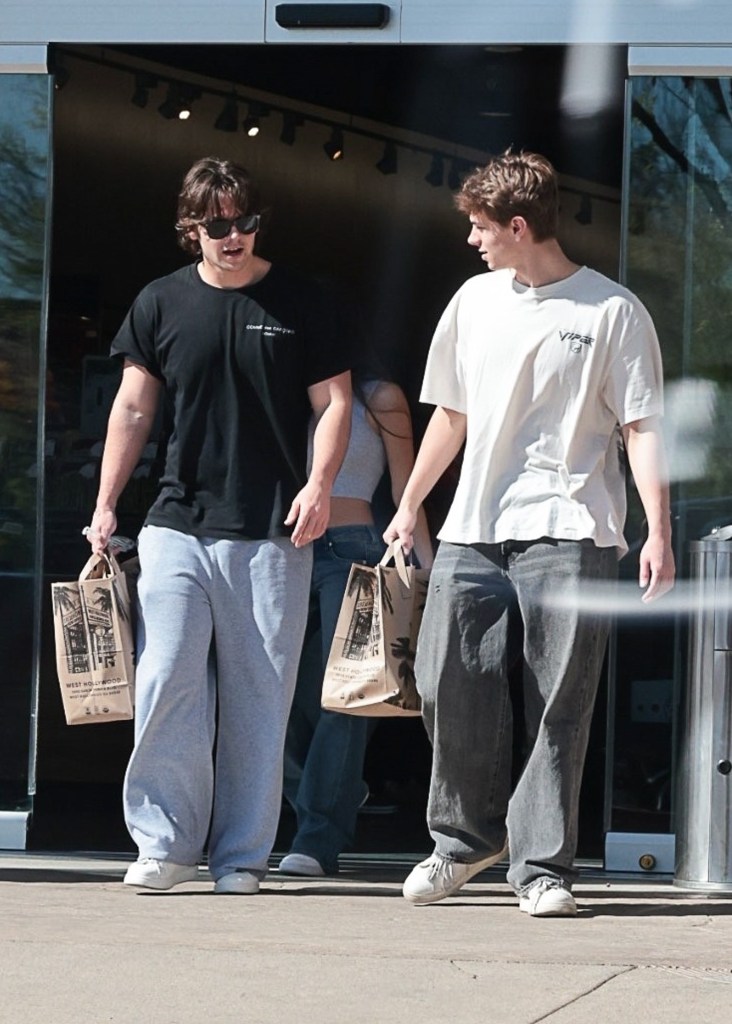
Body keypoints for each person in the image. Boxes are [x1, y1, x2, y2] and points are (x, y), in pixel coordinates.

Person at [384, 150, 675, 917]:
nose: (472, 241)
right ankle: (465, 841)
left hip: (572, 527)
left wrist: (658, 530)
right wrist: (410, 503)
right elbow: (451, 415)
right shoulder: (472, 301)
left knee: (558, 701)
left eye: (482, 228)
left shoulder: (612, 311)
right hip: (474, 525)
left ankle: (542, 867)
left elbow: (642, 427)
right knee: (445, 680)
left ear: (519, 227)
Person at [85, 156, 351, 894]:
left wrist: (320, 486)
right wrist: (106, 503)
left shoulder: (301, 299)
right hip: (176, 522)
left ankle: (240, 857)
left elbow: (336, 403)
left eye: (246, 222)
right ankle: (165, 845)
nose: (234, 236)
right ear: (191, 227)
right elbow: (132, 408)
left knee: (259, 698)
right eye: (218, 225)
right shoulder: (161, 301)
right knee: (166, 676)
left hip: (273, 529)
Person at [278, 367, 433, 876]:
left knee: (346, 700)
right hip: (279, 551)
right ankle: (336, 788)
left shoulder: (378, 396)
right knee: (272, 696)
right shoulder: (278, 385)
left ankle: (317, 838)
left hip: (353, 551)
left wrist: (428, 575)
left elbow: (408, 492)